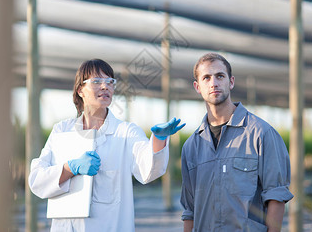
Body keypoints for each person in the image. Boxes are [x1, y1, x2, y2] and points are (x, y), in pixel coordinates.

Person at [28, 58, 185, 232]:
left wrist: (158, 140)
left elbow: (148, 170)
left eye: (110, 82)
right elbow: (36, 180)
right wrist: (70, 168)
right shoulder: (62, 131)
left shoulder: (125, 132)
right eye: (96, 82)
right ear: (80, 90)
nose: (105, 87)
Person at [180, 53, 293, 232]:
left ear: (231, 82)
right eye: (206, 78)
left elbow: (276, 196)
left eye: (220, 76)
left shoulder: (261, 133)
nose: (214, 83)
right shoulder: (191, 147)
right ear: (197, 87)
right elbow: (190, 210)